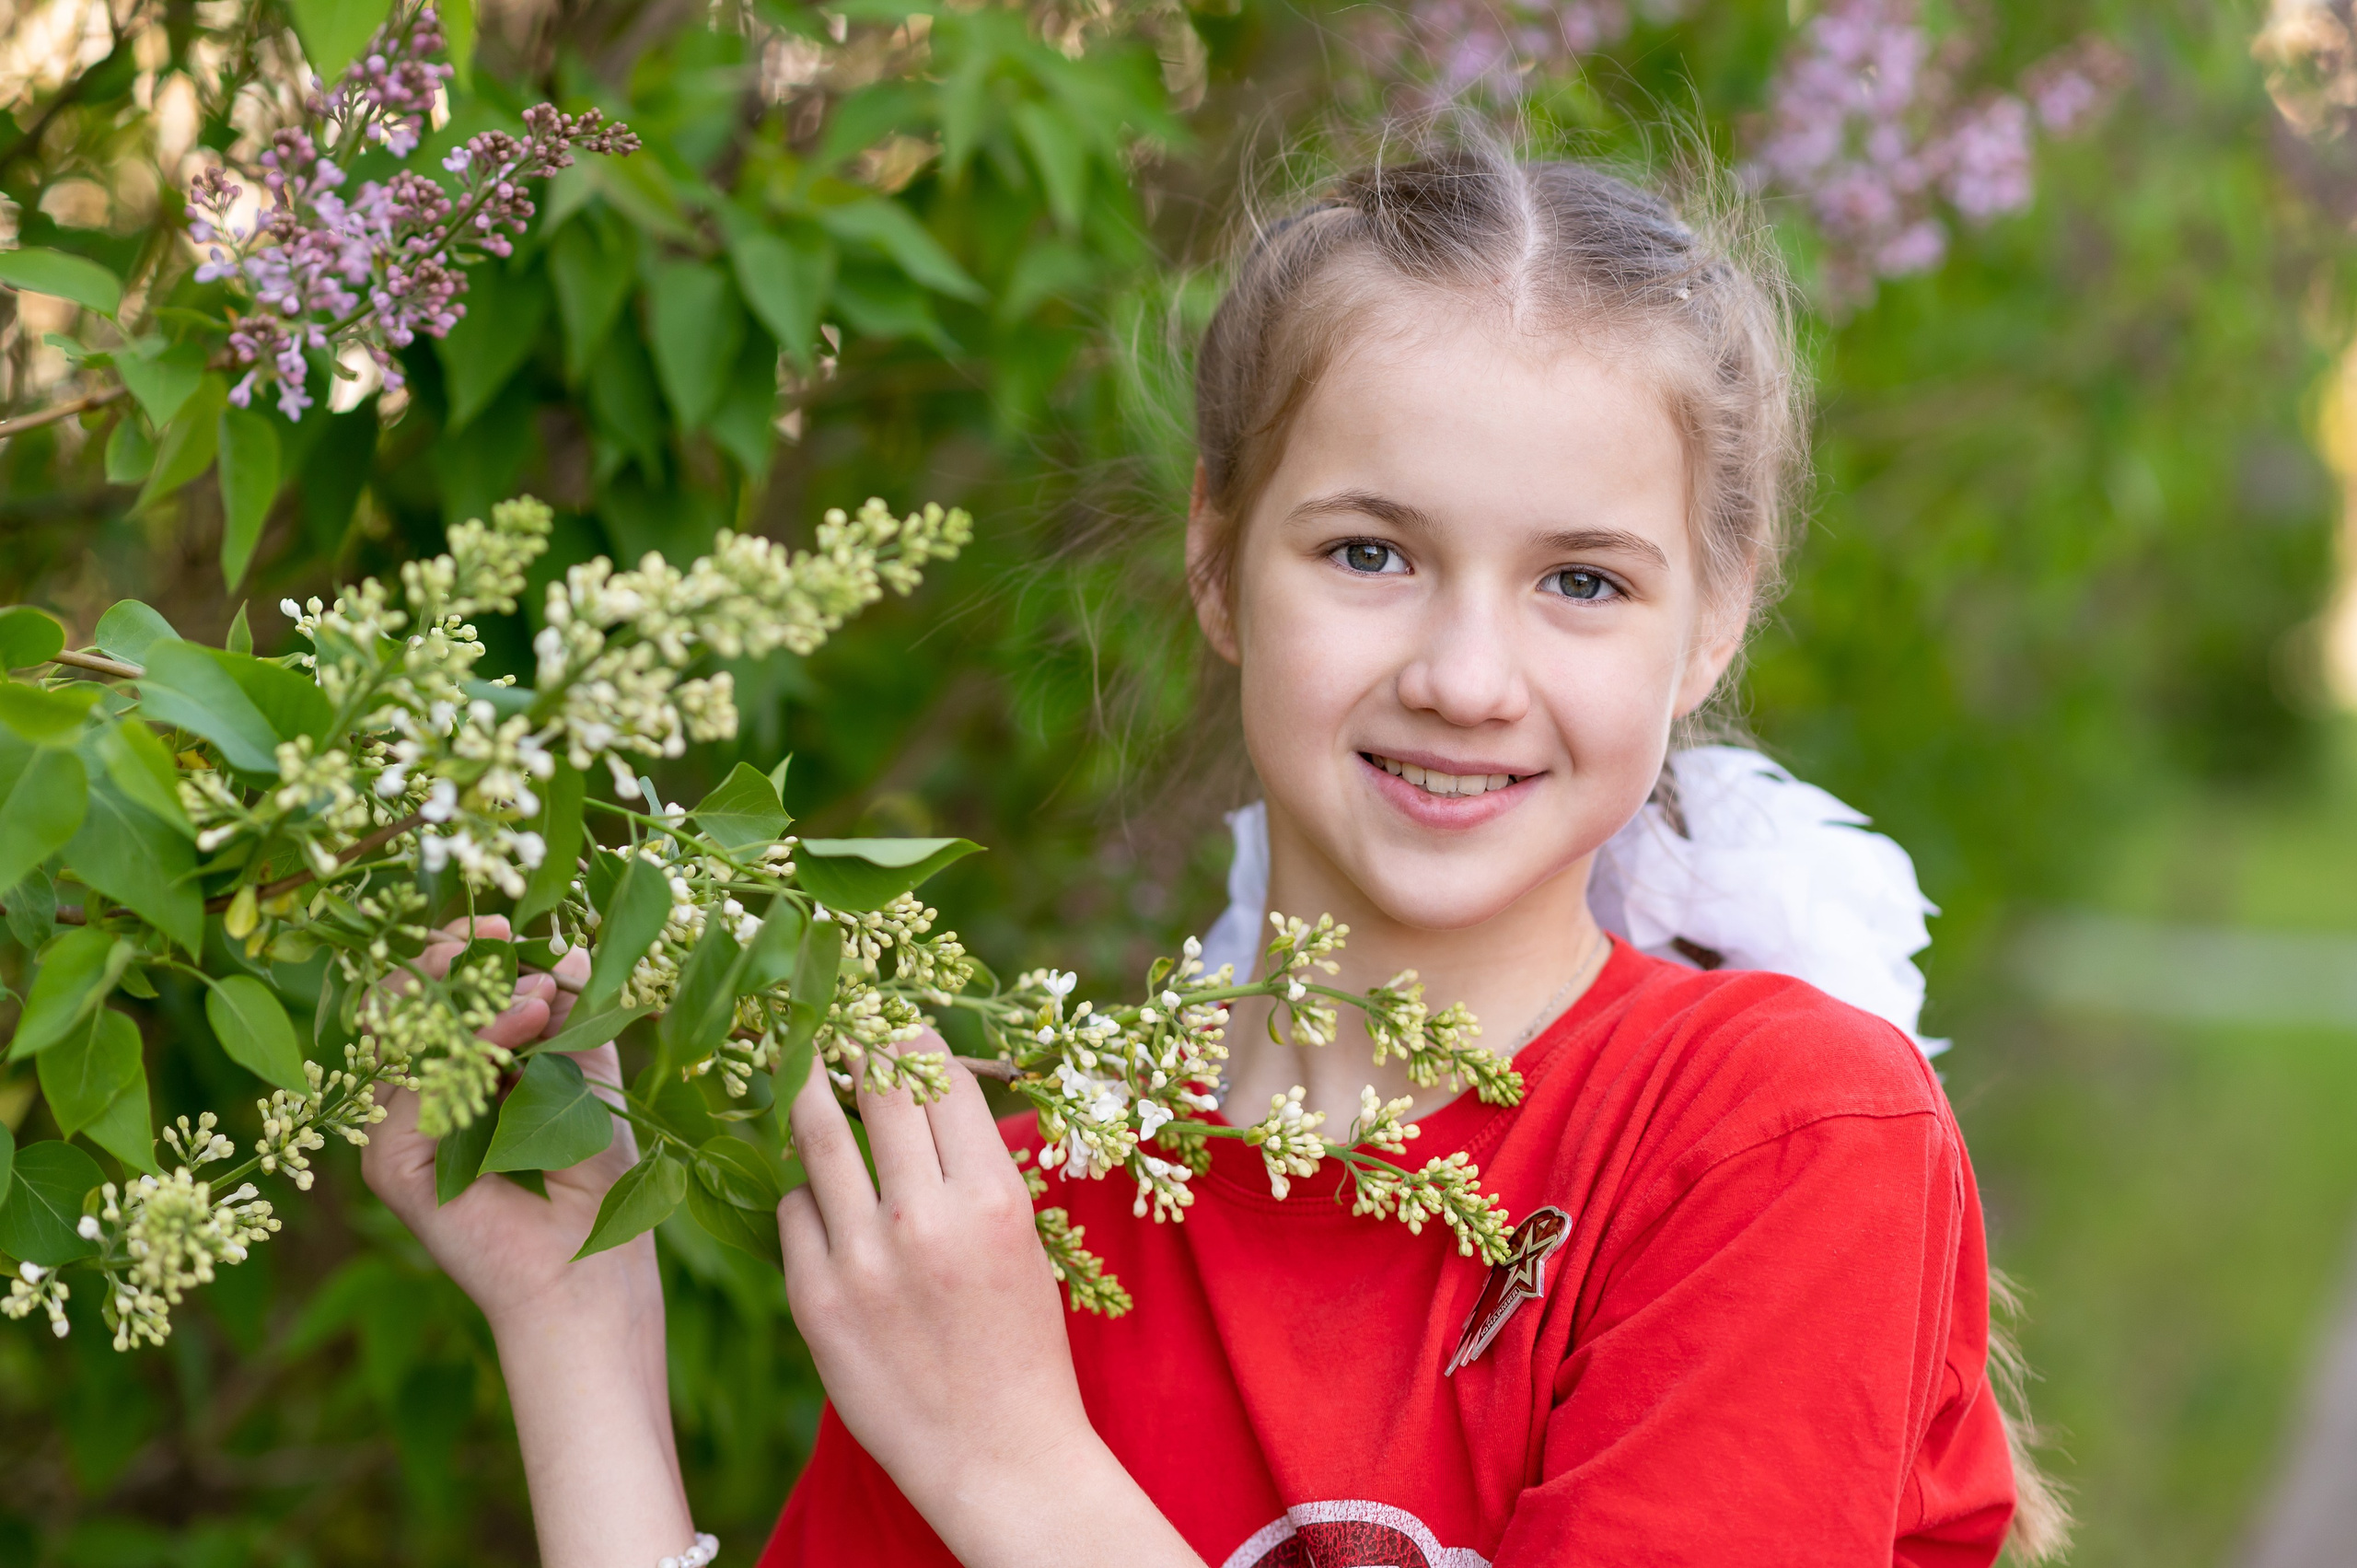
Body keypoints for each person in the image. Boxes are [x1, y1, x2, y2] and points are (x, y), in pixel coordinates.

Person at [362, 139, 2060, 1568]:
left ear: (1711, 627)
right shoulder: (1015, 1227)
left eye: (1585, 581)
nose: (1466, 678)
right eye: (1372, 551)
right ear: (1217, 560)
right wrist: (569, 1328)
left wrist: (1016, 1469)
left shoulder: (1772, 1144)